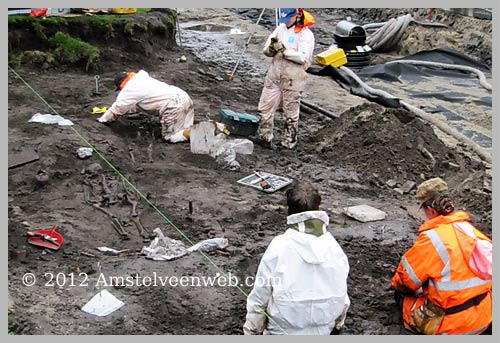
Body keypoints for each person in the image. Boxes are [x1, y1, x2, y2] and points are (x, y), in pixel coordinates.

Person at [243, 181, 350, 335]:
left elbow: (260, 296)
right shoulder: (334, 248)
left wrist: (252, 330)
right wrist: (338, 323)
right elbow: (341, 294)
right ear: (318, 208)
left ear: (290, 211)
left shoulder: (279, 247)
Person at [391, 177, 492, 335]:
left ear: (430, 210)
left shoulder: (431, 240)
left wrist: (399, 286)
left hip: (452, 326)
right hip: (484, 317)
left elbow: (405, 282)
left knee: (401, 295)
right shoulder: (471, 231)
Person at [255, 8, 315, 149]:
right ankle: (265, 137)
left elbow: (303, 57)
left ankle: (288, 142)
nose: (285, 22)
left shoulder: (305, 34)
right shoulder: (280, 29)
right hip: (275, 75)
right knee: (265, 108)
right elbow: (266, 50)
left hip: (293, 78)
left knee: (290, 112)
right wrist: (271, 48)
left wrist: (284, 50)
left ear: (296, 16)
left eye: (288, 18)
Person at [97, 70, 194, 143]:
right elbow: (136, 105)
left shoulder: (129, 89)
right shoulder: (142, 80)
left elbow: (117, 109)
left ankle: (196, 134)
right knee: (185, 128)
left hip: (173, 105)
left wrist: (103, 120)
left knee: (170, 136)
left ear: (121, 85)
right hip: (183, 96)